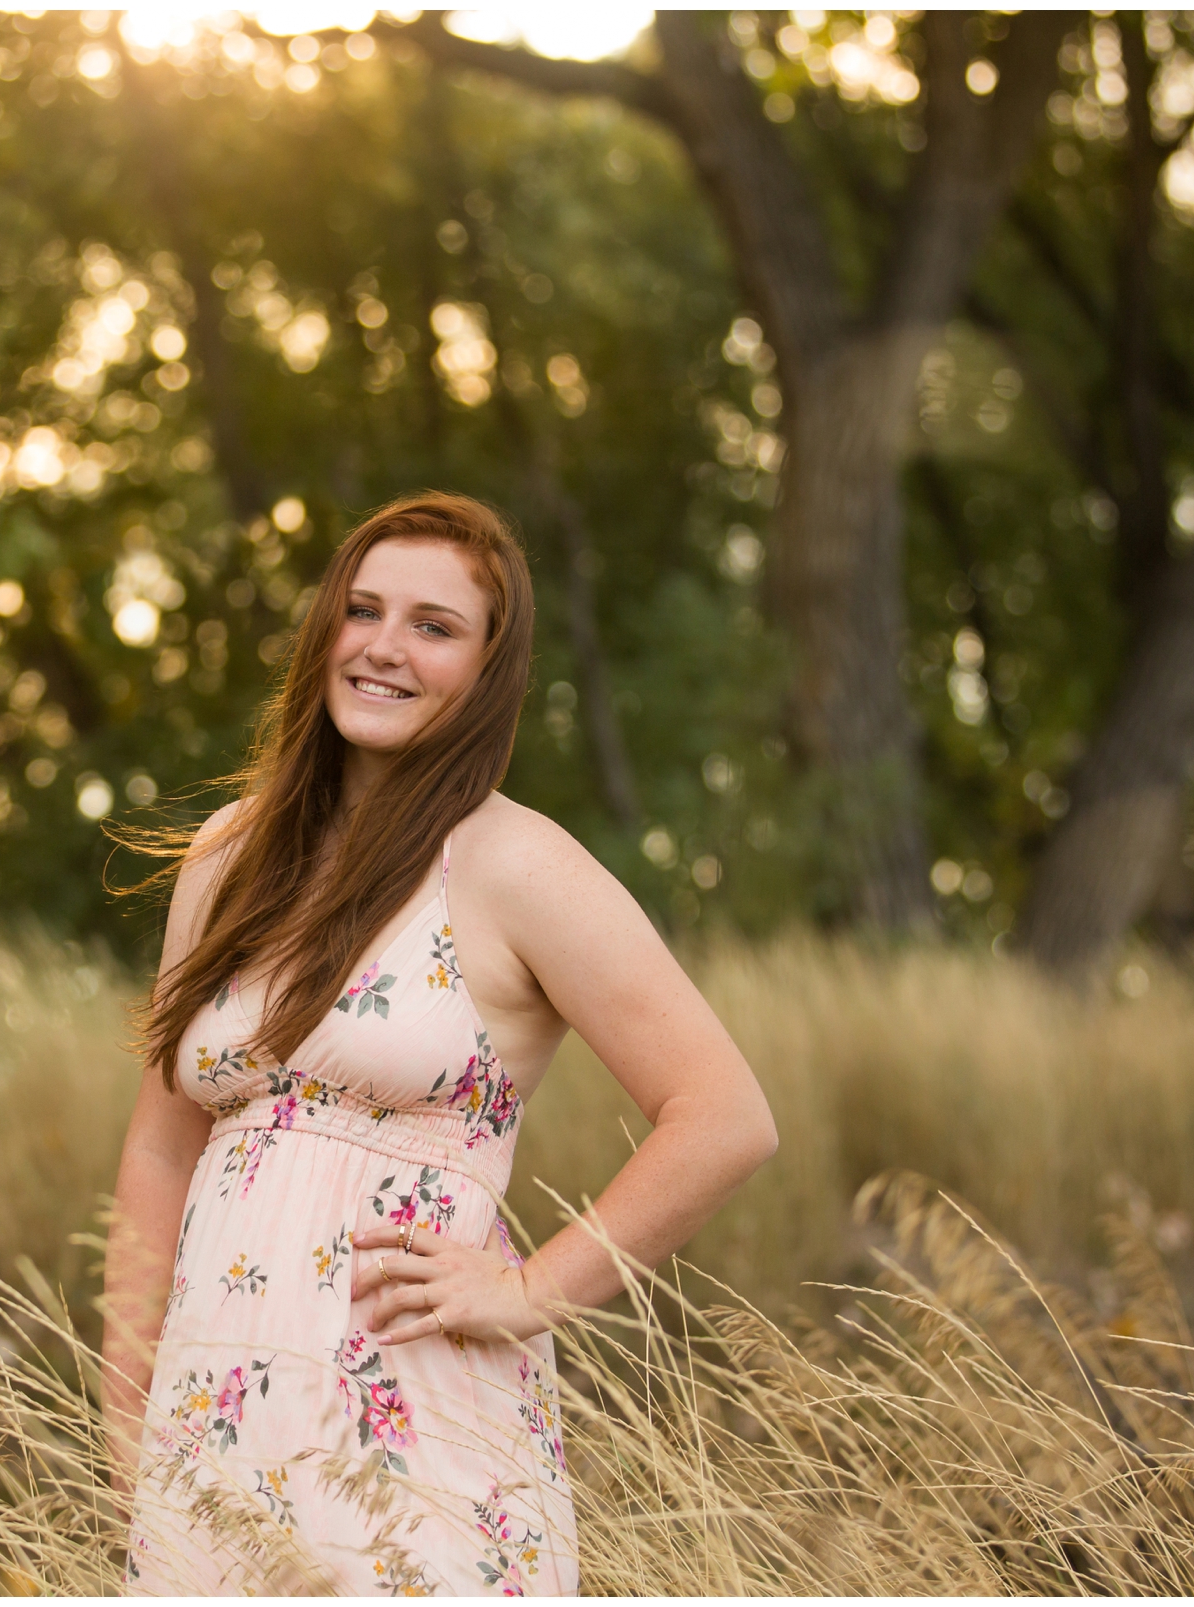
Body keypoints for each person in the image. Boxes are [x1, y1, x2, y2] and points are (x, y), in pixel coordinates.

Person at [104, 492, 778, 1596]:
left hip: (412, 1423)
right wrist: (124, 1413)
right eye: (362, 609)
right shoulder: (228, 852)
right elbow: (158, 1151)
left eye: (433, 624)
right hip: (210, 1417)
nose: (383, 646)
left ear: (488, 668)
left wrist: (530, 1289)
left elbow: (725, 1114)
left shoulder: (517, 865)